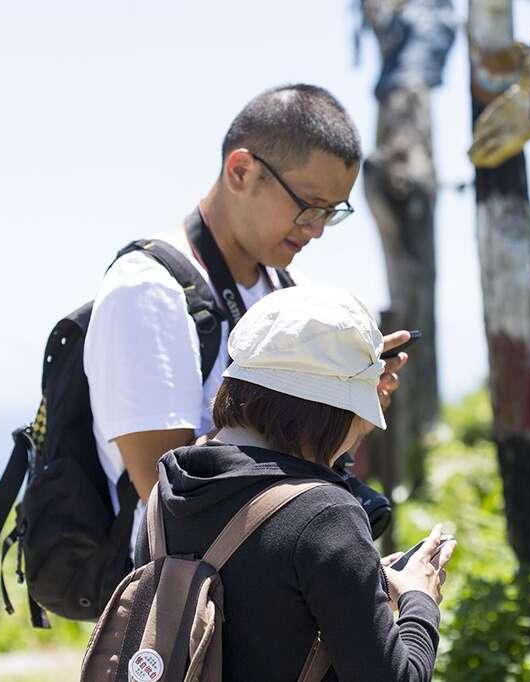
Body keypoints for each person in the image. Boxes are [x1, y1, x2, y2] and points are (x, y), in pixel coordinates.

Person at [82, 84, 409, 547]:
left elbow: (307, 454)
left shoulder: (293, 293)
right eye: (308, 207)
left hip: (274, 574)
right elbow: (169, 493)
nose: (316, 230)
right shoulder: (149, 291)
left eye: (332, 213)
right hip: (185, 602)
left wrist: (347, 406)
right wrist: (310, 402)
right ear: (241, 171)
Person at [134, 284, 454, 680]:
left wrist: (360, 580)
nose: (366, 425)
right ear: (330, 411)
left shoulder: (169, 487)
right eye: (361, 409)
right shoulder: (324, 514)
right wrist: (420, 599)